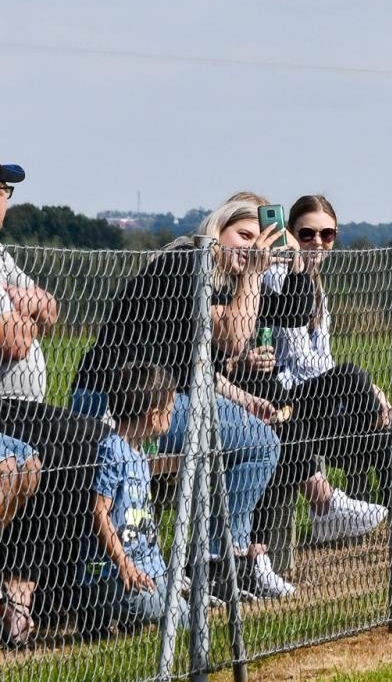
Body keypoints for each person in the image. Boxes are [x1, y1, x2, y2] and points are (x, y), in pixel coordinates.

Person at [71, 198, 294, 600]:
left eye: (256, 239)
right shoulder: (187, 263)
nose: (250, 247)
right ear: (217, 229)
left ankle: (215, 560)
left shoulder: (201, 273)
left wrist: (247, 400)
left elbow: (195, 368)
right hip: (115, 406)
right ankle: (213, 562)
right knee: (260, 443)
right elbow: (232, 336)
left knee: (259, 436)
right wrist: (255, 274)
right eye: (243, 236)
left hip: (146, 402)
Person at [256, 195, 392, 565]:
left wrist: (362, 390)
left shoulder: (317, 284)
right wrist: (361, 387)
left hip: (317, 406)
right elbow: (302, 362)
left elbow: (322, 357)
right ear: (289, 235)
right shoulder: (280, 276)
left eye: (327, 234)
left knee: (382, 440)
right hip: (286, 402)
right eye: (306, 234)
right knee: (354, 375)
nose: (317, 243)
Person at [0, 159, 112, 643]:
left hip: (23, 408)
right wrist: (22, 307)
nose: (1, 202)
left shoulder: (2, 257)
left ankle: (48, 588)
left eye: (4, 193)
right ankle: (26, 592)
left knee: (94, 442)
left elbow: (49, 307)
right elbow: (15, 340)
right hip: (7, 407)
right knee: (72, 445)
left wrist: (18, 299)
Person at [83, 361, 189, 634]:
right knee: (171, 613)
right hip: (115, 573)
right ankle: (109, 606)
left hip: (149, 567)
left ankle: (139, 614)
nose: (172, 415)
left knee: (186, 613)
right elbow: (99, 511)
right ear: (153, 416)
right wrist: (124, 563)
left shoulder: (139, 452)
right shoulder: (113, 450)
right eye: (169, 411)